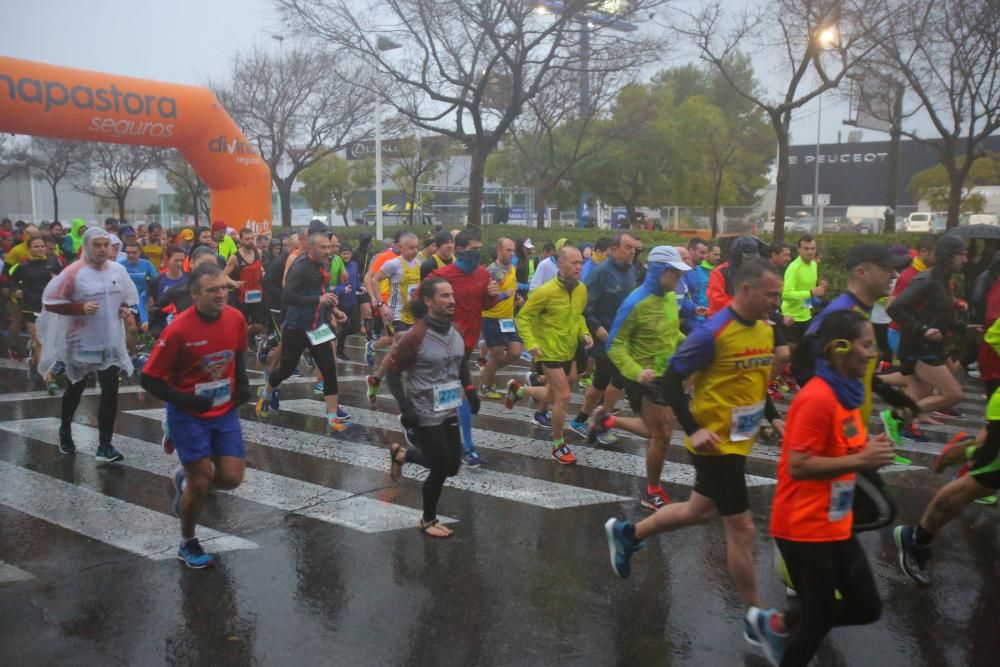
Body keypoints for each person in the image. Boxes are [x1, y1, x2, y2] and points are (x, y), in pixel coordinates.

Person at [604, 259, 786, 657]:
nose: (776, 301)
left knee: (700, 511)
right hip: (714, 444)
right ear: (745, 291)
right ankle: (756, 618)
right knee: (742, 529)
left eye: (778, 293)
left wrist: (773, 419)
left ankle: (627, 533)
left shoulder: (763, 331)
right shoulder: (712, 332)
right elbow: (670, 379)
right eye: (770, 294)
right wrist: (693, 428)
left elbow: (758, 381)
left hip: (741, 440)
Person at [769, 310, 893, 666]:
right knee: (819, 617)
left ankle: (779, 623)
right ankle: (784, 627)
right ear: (840, 349)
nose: (873, 352)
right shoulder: (817, 397)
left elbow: (847, 444)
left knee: (866, 606)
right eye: (866, 344)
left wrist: (871, 450)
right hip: (803, 526)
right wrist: (860, 460)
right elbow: (799, 465)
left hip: (835, 521)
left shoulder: (849, 393)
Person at [140, 262, 252, 569]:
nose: (220, 295)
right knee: (201, 484)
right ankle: (188, 542)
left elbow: (239, 353)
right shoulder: (178, 329)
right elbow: (148, 378)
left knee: (231, 478)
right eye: (212, 290)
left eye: (223, 289)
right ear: (194, 294)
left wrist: (242, 385)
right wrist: (186, 399)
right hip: (188, 414)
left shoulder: (235, 318)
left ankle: (184, 479)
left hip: (224, 410)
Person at [385, 277, 477, 538]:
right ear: (428, 301)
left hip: (448, 407)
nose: (452, 301)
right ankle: (427, 519)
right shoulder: (416, 336)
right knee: (439, 465)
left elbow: (460, 364)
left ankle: (403, 455)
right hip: (423, 410)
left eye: (452, 295)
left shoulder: (454, 331)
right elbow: (392, 373)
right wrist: (406, 409)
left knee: (452, 466)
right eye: (444, 296)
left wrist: (470, 391)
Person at [38, 227, 139, 462]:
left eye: (107, 245)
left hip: (109, 341)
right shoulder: (74, 273)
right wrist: (78, 309)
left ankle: (105, 445)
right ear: (86, 246)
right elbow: (50, 302)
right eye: (98, 245)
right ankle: (65, 431)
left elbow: (127, 297)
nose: (103, 249)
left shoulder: (118, 270)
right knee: (76, 389)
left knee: (110, 392)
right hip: (81, 342)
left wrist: (125, 309)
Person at [603, 246, 689, 510]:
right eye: (675, 273)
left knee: (658, 428)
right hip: (642, 376)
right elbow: (614, 345)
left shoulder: (669, 298)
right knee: (662, 433)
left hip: (668, 374)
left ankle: (608, 420)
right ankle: (651, 491)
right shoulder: (634, 302)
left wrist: (695, 347)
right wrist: (636, 372)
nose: (679, 279)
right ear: (661, 271)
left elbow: (672, 334)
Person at [506, 246, 593, 465]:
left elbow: (578, 316)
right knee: (563, 396)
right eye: (574, 263)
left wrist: (584, 333)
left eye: (581, 263)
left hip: (569, 350)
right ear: (560, 264)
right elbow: (523, 318)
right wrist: (532, 344)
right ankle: (558, 445)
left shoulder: (582, 289)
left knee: (556, 394)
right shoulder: (545, 292)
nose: (578, 267)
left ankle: (520, 390)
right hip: (548, 351)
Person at [256, 232, 349, 431]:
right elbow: (288, 297)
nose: (328, 251)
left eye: (329, 247)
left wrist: (333, 308)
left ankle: (332, 416)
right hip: (296, 327)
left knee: (329, 369)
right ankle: (266, 393)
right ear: (310, 248)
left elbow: (321, 292)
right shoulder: (300, 267)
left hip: (318, 327)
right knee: (287, 369)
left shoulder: (323, 265)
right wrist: (318, 301)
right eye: (323, 248)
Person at [887, 235, 974, 444]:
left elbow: (938, 316)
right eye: (960, 254)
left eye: (965, 254)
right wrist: (924, 330)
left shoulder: (943, 279)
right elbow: (895, 307)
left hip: (928, 345)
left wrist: (965, 328)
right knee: (953, 394)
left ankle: (889, 438)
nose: (965, 259)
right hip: (920, 347)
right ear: (947, 255)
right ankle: (894, 418)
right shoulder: (926, 279)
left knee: (917, 396)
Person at [431, 229, 501, 467]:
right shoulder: (442, 275)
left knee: (449, 394)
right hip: (445, 343)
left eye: (479, 249)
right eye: (473, 249)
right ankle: (466, 447)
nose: (477, 253)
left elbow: (485, 304)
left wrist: (492, 296)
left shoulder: (482, 274)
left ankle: (419, 423)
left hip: (469, 342)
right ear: (458, 249)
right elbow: (421, 301)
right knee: (458, 394)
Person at [571, 232, 638, 445]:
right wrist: (596, 325)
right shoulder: (601, 272)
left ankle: (582, 420)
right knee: (616, 378)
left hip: (623, 336)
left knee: (602, 381)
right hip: (605, 336)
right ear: (614, 249)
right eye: (628, 247)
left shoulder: (631, 271)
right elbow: (586, 304)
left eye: (634, 248)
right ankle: (601, 424)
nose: (632, 251)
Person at [365, 232, 422, 401]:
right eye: (411, 247)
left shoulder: (420, 264)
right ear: (400, 247)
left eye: (417, 247)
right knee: (400, 342)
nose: (415, 250)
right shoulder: (393, 264)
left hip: (414, 314)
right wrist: (382, 305)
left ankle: (375, 379)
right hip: (396, 313)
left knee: (398, 351)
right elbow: (374, 280)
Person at [9, 235, 62, 389]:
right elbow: (11, 279)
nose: (39, 249)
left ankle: (34, 363)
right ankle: (49, 380)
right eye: (36, 246)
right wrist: (16, 290)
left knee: (50, 342)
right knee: (40, 342)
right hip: (30, 307)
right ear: (29, 249)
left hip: (50, 306)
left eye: (41, 246)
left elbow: (63, 278)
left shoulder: (53, 262)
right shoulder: (23, 265)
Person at [479, 237, 523, 399]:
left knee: (515, 352)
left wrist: (517, 297)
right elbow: (486, 297)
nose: (512, 253)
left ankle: (489, 369)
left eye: (513, 250)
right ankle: (486, 385)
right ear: (499, 251)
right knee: (497, 355)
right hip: (492, 319)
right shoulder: (491, 271)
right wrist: (505, 296)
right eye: (508, 250)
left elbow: (512, 286)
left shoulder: (512, 267)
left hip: (507, 319)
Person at [781, 235, 825, 352]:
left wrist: (819, 290)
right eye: (806, 249)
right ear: (799, 250)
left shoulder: (814, 265)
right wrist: (810, 293)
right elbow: (785, 294)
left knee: (805, 353)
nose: (810, 252)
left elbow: (809, 290)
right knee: (790, 356)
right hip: (791, 318)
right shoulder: (793, 268)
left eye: (812, 248)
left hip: (807, 315)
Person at [224, 227, 267, 344]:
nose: (250, 241)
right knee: (243, 322)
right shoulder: (235, 257)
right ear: (241, 240)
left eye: (252, 238)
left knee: (259, 324)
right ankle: (240, 341)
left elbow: (259, 266)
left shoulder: (259, 252)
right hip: (242, 296)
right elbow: (224, 275)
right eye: (247, 239)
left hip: (257, 293)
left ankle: (242, 337)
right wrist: (234, 283)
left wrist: (263, 273)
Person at [706, 236, 760, 316]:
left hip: (748, 318)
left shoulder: (753, 273)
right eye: (747, 259)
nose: (750, 262)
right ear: (737, 256)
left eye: (753, 259)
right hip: (723, 320)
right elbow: (717, 301)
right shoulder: (719, 272)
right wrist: (744, 306)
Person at [119, 240, 157, 331]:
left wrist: (151, 295)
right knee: (132, 327)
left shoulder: (146, 264)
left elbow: (156, 280)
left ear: (140, 252)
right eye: (128, 253)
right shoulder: (120, 265)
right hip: (126, 300)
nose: (131, 255)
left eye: (134, 253)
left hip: (142, 297)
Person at [333, 244, 361, 361]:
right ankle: (339, 350)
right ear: (340, 254)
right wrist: (342, 290)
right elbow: (330, 286)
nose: (346, 256)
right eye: (344, 253)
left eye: (348, 253)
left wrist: (360, 287)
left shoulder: (355, 265)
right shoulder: (337, 265)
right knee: (345, 327)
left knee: (356, 327)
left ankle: (335, 338)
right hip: (340, 302)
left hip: (353, 301)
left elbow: (356, 279)